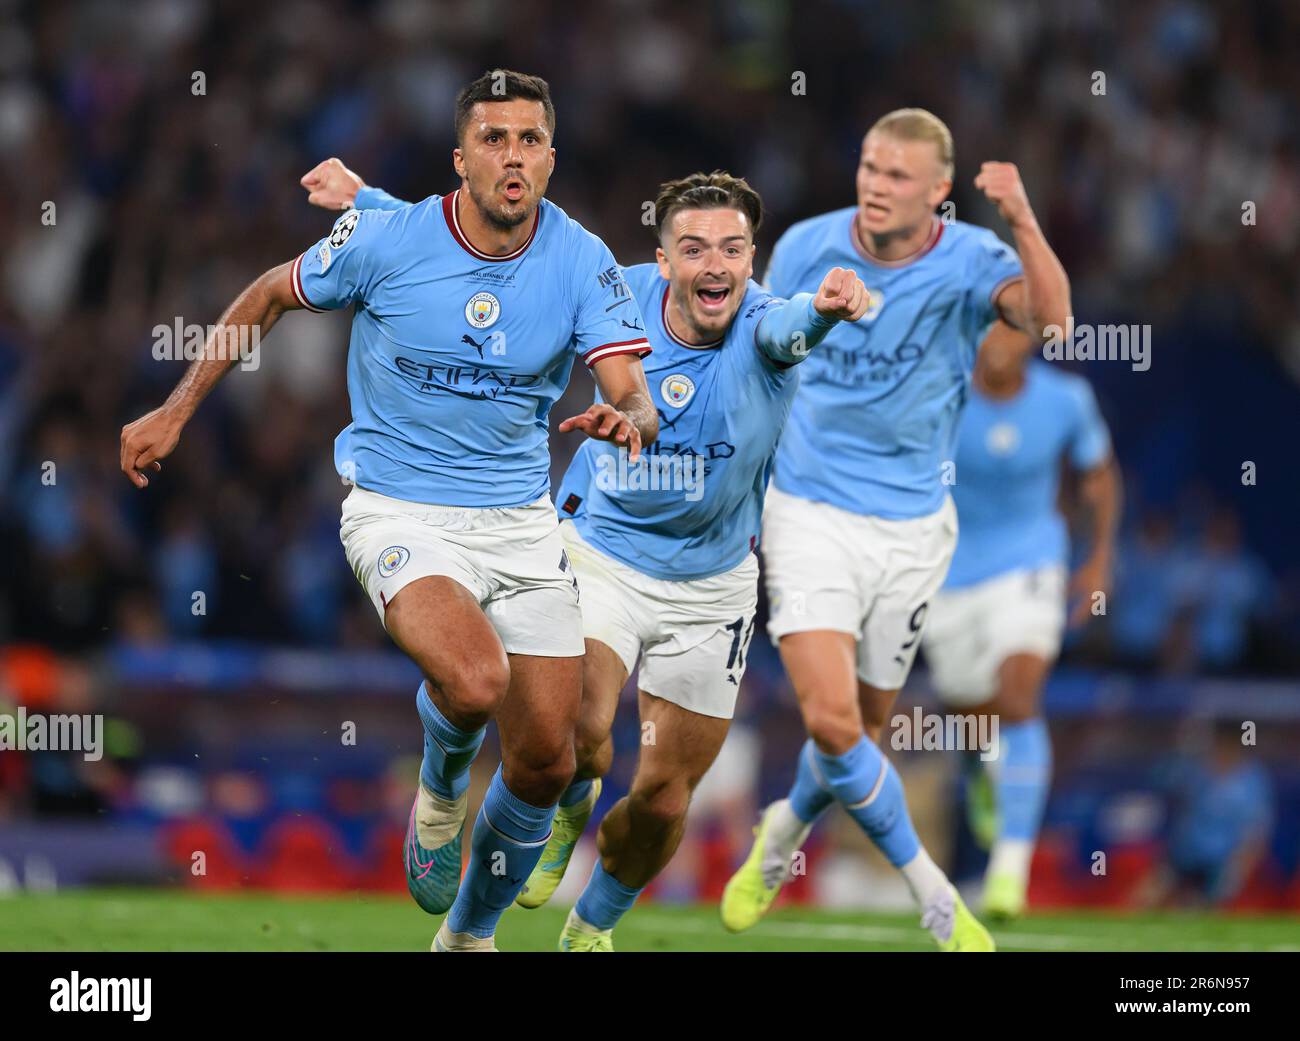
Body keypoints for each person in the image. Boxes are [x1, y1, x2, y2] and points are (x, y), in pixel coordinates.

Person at [121, 70, 658, 952]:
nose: (512, 157)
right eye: (493, 139)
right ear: (461, 159)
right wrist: (174, 411)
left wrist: (626, 419)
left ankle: (465, 939)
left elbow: (633, 394)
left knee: (548, 760)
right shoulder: (388, 240)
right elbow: (267, 293)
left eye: (529, 140)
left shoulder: (583, 259)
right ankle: (441, 793)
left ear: (551, 159)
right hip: (400, 509)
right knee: (477, 679)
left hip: (521, 524)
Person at [303, 161, 870, 950]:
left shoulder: (767, 323)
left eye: (734, 249)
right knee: (577, 734)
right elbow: (480, 242)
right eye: (696, 248)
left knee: (666, 800)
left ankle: (590, 927)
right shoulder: (609, 289)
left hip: (714, 587)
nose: (717, 265)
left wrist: (830, 310)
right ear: (663, 260)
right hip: (600, 550)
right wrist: (368, 200)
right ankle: (512, 875)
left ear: (752, 259)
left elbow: (794, 326)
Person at [723, 108, 1070, 951]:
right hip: (809, 511)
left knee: (860, 735)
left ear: (939, 192)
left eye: (897, 176)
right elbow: (757, 353)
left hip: (915, 528)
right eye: (870, 168)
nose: (876, 186)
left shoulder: (975, 261)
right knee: (835, 723)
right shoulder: (805, 246)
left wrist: (1021, 218)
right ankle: (941, 901)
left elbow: (1053, 325)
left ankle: (785, 824)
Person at [920, 319, 1120, 920]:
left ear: (1031, 339)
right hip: (947, 574)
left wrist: (1099, 562)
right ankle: (980, 769)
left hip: (1032, 565)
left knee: (1020, 696)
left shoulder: (1066, 399)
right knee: (970, 715)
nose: (1000, 345)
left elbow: (1100, 475)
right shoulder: (937, 398)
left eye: (1013, 332)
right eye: (987, 331)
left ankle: (1010, 870)